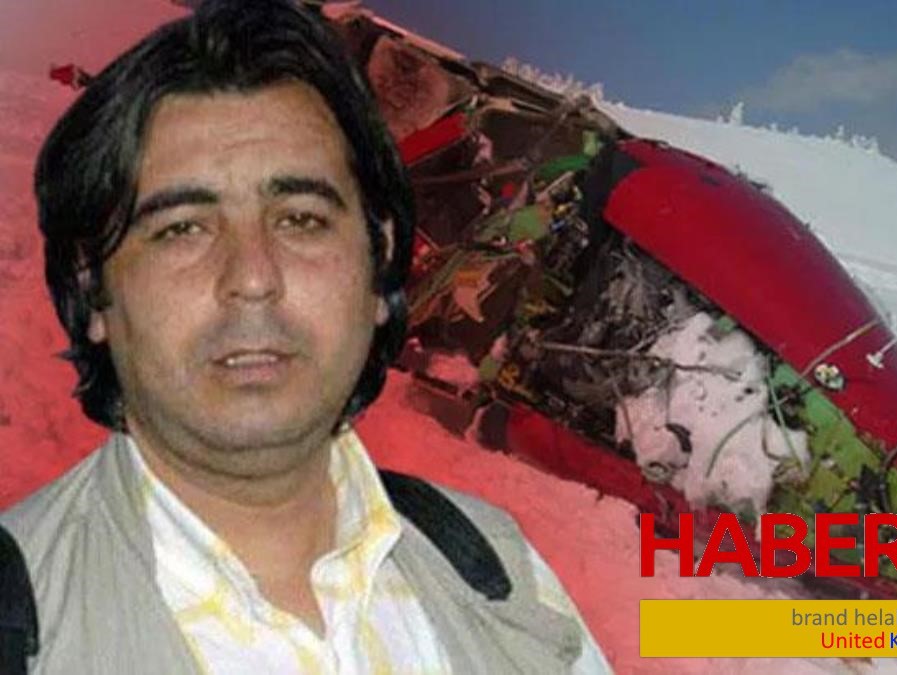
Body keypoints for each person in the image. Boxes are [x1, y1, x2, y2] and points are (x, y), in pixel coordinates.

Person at [0, 0, 611, 673]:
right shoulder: (19, 618)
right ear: (93, 289)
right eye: (182, 228)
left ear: (379, 261)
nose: (253, 278)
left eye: (301, 219)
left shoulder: (503, 576)